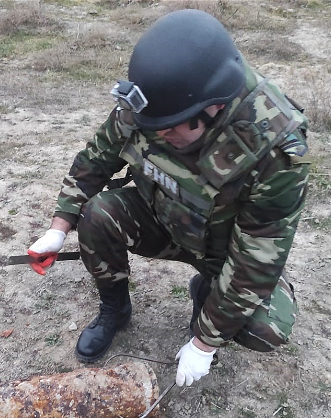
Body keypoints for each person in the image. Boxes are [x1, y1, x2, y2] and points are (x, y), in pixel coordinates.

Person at [26, 9, 309, 388]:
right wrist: (58, 228)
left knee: (266, 329)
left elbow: (254, 262)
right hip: (163, 218)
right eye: (152, 126)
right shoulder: (154, 102)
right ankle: (115, 310)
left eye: (170, 127)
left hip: (225, 251)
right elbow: (96, 158)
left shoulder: (273, 151)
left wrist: (204, 343)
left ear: (213, 106)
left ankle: (207, 292)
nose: (159, 135)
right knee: (97, 214)